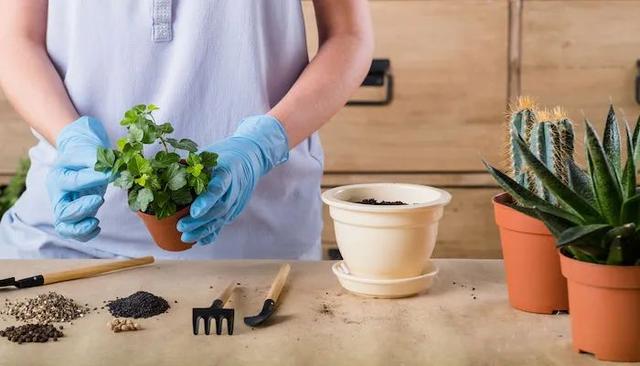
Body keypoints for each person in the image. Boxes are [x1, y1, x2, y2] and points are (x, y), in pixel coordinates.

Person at [0, 1, 373, 259]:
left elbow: (348, 36)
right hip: (67, 241)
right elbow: (17, 38)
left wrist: (263, 143)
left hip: (258, 242)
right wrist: (67, 136)